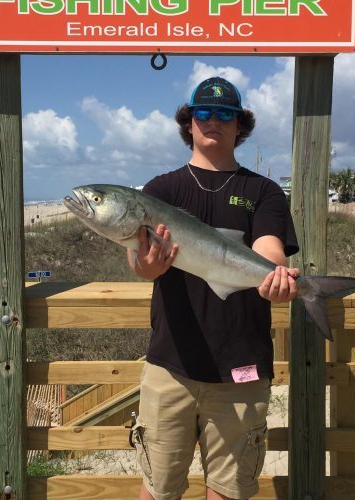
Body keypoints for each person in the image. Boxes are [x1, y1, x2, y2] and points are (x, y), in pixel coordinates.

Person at [127, 76, 300, 500]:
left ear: (241, 125)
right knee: (158, 489)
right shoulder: (161, 190)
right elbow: (140, 266)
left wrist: (276, 277)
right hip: (171, 365)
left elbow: (269, 251)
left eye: (225, 114)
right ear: (188, 122)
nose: (213, 121)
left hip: (241, 370)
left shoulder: (264, 191)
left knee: (229, 492)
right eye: (203, 112)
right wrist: (148, 267)